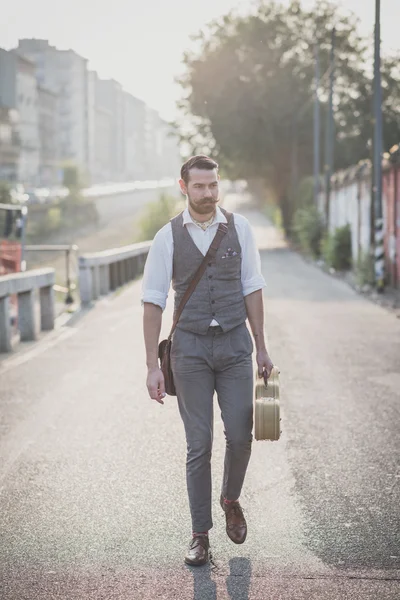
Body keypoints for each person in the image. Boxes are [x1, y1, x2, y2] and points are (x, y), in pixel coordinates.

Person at [142, 155, 273, 566]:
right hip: (190, 350)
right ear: (183, 187)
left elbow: (252, 286)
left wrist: (262, 347)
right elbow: (152, 301)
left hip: (235, 346)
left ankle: (230, 498)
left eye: (213, 185)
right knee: (199, 444)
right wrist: (151, 365)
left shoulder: (241, 228)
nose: (208, 193)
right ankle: (200, 535)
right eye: (199, 186)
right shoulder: (167, 237)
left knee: (240, 434)